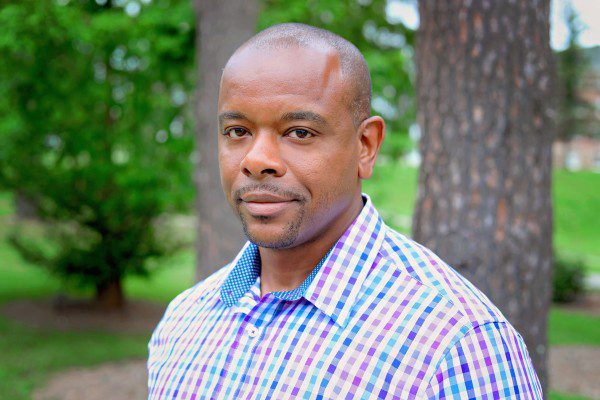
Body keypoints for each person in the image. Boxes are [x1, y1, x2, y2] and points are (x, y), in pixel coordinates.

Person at [147, 23, 542, 399]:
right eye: (237, 132)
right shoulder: (183, 322)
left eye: (299, 132)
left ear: (366, 146)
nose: (257, 160)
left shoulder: (458, 346)